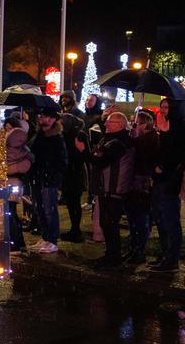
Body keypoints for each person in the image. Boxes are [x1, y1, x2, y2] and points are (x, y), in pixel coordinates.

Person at [86, 111, 135, 269]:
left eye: (110, 122)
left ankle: (114, 258)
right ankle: (111, 255)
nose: (106, 124)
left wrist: (83, 152)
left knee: (110, 223)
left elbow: (101, 161)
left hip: (114, 189)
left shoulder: (120, 142)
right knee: (106, 223)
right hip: (107, 188)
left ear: (120, 125)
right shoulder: (114, 139)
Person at [28, 107, 68, 253]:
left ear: (53, 120)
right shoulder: (38, 135)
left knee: (49, 209)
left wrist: (52, 174)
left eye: (47, 117)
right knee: (39, 208)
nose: (44, 120)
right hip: (37, 177)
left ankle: (52, 240)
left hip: (48, 179)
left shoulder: (56, 138)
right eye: (42, 116)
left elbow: (62, 161)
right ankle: (45, 237)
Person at [149, 102, 183, 273]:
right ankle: (165, 255)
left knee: (170, 218)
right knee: (160, 218)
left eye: (167, 108)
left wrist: (163, 166)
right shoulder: (162, 127)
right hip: (159, 178)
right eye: (161, 107)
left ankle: (172, 259)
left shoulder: (178, 128)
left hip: (170, 180)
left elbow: (176, 154)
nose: (163, 111)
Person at [125, 110, 161, 264]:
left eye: (137, 122)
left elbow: (145, 159)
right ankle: (133, 248)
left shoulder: (151, 139)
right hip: (135, 182)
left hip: (143, 184)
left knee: (140, 218)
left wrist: (134, 140)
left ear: (145, 124)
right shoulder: (141, 138)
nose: (135, 125)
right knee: (133, 218)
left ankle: (139, 250)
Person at [0, 115, 32, 251]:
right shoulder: (4, 146)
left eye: (10, 129)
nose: (7, 132)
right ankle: (13, 241)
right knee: (7, 212)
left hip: (13, 183)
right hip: (4, 182)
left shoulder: (21, 148)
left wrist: (10, 169)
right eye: (6, 129)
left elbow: (25, 165)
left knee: (11, 211)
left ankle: (17, 242)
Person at [59, 110, 87, 242]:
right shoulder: (65, 135)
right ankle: (74, 229)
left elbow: (80, 155)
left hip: (75, 173)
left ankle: (76, 230)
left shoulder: (77, 136)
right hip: (69, 173)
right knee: (71, 203)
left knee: (74, 203)